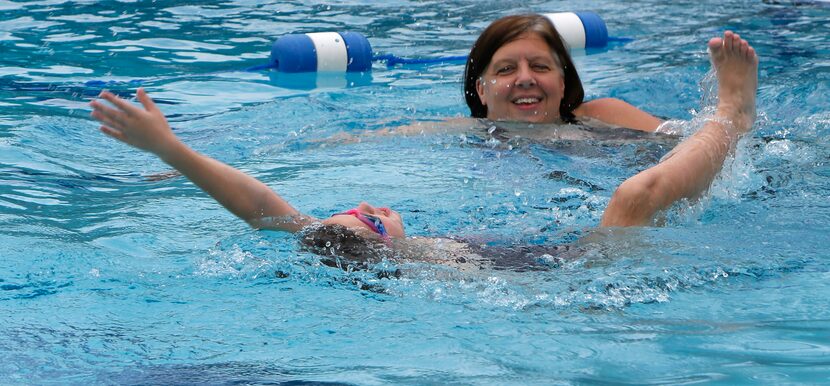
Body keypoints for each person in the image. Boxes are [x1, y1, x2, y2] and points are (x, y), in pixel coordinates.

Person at [89, 30, 757, 266]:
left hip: (529, 264)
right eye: (369, 212)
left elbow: (261, 205)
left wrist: (176, 153)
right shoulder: (406, 256)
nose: (368, 202)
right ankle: (732, 111)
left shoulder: (355, 251)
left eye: (541, 66)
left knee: (638, 191)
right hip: (566, 272)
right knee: (636, 196)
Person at [464, 14, 665, 132]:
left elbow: (691, 142)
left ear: (562, 83)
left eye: (540, 66)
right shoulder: (459, 136)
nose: (525, 79)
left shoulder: (603, 118)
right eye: (506, 69)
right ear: (481, 90)